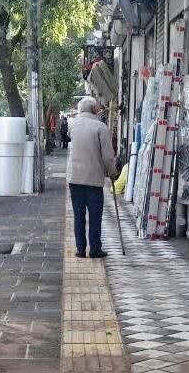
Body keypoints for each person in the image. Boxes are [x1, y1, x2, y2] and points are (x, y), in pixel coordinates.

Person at [67, 96, 119, 258]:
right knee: (95, 216)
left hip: (75, 178)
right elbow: (108, 157)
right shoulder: (101, 127)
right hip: (93, 179)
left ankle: (80, 249)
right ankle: (95, 249)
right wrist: (112, 173)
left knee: (78, 215)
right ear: (95, 109)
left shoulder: (72, 125)